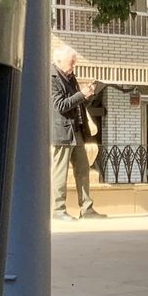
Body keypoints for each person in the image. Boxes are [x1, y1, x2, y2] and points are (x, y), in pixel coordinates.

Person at [50, 45, 103, 219]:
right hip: (62, 132)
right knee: (60, 172)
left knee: (83, 169)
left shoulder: (70, 77)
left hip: (77, 130)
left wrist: (87, 96)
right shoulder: (52, 78)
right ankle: (58, 210)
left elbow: (76, 105)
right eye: (71, 63)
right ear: (58, 61)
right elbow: (60, 106)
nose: (73, 66)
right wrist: (81, 94)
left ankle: (86, 208)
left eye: (74, 63)